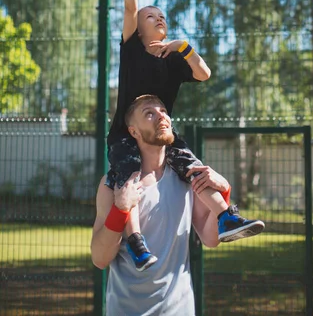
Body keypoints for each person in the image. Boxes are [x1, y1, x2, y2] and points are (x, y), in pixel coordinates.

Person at [106, 0, 264, 270]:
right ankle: (135, 242)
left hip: (163, 133)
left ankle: (226, 218)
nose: (158, 17)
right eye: (151, 16)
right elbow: (129, 8)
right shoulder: (132, 52)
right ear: (138, 27)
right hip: (127, 133)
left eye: (162, 15)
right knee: (129, 175)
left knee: (195, 169)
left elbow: (204, 73)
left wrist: (184, 46)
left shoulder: (175, 59)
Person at [92, 94, 229, 316]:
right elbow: (99, 259)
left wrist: (224, 191)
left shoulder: (187, 178)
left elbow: (211, 238)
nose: (161, 116)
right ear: (133, 131)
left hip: (179, 309)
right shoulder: (113, 184)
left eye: (163, 111)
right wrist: (121, 210)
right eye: (149, 113)